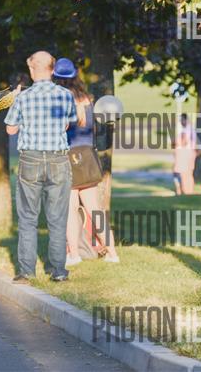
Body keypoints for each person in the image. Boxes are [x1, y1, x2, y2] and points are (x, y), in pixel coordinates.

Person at [5, 51, 76, 283]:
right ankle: (58, 271)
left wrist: (14, 100)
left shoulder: (23, 97)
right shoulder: (66, 95)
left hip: (30, 159)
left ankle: (27, 271)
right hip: (58, 159)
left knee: (27, 217)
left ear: (31, 69)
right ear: (52, 69)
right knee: (57, 218)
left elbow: (10, 129)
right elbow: (67, 124)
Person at [53, 58, 119, 266]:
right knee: (95, 210)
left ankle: (74, 254)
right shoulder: (87, 100)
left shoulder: (60, 100)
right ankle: (112, 253)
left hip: (68, 157)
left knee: (70, 209)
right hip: (89, 158)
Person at [172, 113, 197, 196]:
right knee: (188, 173)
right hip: (188, 152)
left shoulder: (187, 129)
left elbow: (184, 141)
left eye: (182, 120)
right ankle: (188, 191)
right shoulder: (190, 129)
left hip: (186, 153)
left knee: (184, 173)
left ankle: (186, 191)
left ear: (186, 119)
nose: (181, 122)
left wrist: (176, 142)